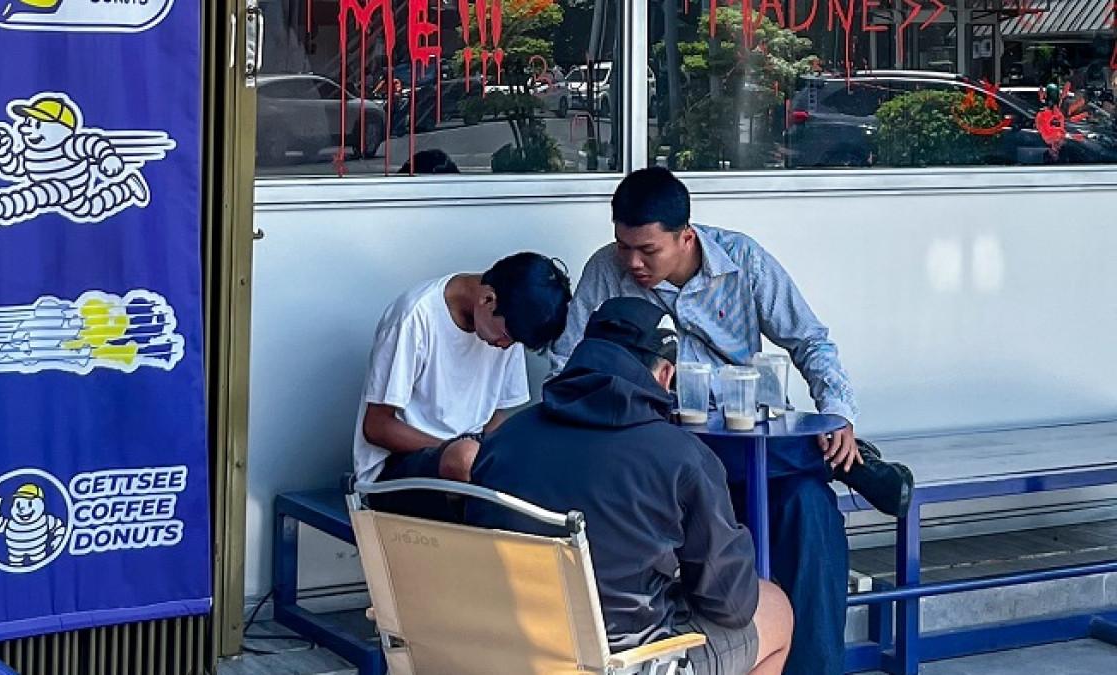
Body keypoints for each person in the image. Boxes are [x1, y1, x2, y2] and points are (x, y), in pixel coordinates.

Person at [549, 167, 913, 675]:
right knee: (799, 473)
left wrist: (837, 414)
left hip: (748, 442)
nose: (632, 262)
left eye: (647, 250)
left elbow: (809, 339)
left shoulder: (742, 261)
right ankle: (831, 461)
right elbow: (567, 363)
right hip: (664, 447)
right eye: (623, 246)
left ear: (686, 237)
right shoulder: (605, 272)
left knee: (810, 509)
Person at [467, 297, 792, 675]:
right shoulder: (682, 457)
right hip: (620, 663)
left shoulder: (505, 439)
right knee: (774, 609)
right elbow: (731, 606)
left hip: (508, 649)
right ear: (666, 374)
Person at [352, 252, 572, 519]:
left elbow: (492, 417)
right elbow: (376, 427)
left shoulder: (509, 328)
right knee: (465, 458)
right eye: (506, 337)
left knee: (548, 453)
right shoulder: (415, 317)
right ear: (487, 299)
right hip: (395, 474)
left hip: (470, 455)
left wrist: (518, 452)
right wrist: (452, 448)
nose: (505, 346)